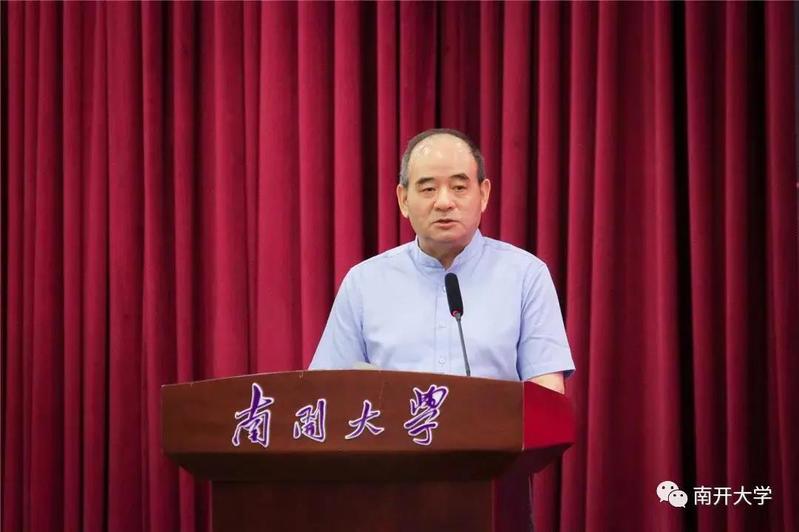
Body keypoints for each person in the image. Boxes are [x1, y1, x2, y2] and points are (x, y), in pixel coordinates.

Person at [309, 128, 574, 393]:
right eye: (428, 189)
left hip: (492, 423)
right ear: (403, 199)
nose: (444, 202)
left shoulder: (526, 276)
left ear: (483, 194)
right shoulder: (364, 283)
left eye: (459, 187)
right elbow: (326, 393)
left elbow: (547, 394)